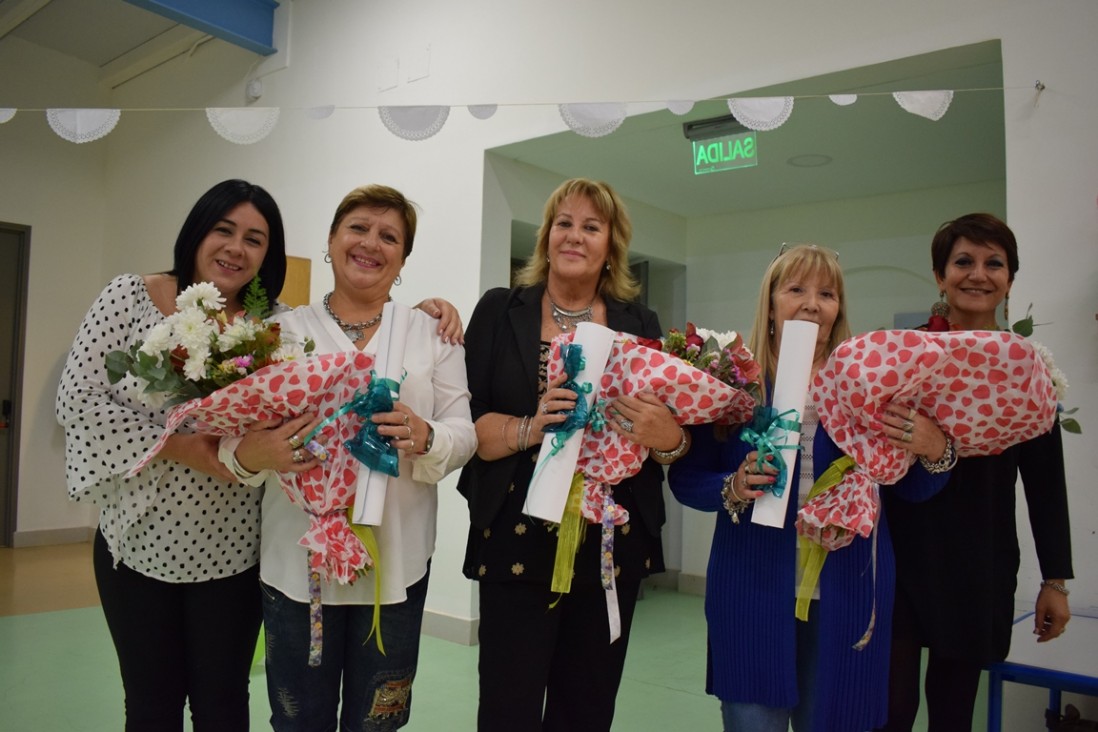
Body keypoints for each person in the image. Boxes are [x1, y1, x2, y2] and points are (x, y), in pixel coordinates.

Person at [668, 244, 953, 732]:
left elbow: (912, 491)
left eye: (827, 292)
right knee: (753, 717)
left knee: (837, 717)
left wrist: (934, 450)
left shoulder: (871, 386)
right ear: (771, 303)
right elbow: (687, 479)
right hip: (752, 587)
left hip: (848, 589)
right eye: (795, 289)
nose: (811, 303)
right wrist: (733, 486)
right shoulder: (732, 383)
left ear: (839, 307)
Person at [225, 183, 477, 731]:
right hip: (297, 570)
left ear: (403, 259)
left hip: (396, 565)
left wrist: (427, 435)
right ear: (332, 240)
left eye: (389, 236)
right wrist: (252, 454)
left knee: (379, 721)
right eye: (358, 228)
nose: (371, 243)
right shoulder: (278, 335)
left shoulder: (432, 334)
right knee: (298, 720)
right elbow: (231, 441)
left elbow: (465, 432)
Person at [56, 179, 294, 731]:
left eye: (255, 239)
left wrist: (432, 310)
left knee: (223, 703)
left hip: (234, 552)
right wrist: (185, 448)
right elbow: (79, 399)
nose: (237, 247)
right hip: (136, 544)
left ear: (268, 255)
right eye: (224, 229)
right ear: (197, 232)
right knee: (150, 703)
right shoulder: (128, 296)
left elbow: (338, 347)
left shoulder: (275, 328)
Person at [457, 177, 688, 732]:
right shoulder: (499, 309)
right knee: (507, 708)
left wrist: (669, 438)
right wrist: (534, 427)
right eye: (564, 223)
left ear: (612, 245)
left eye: (592, 226)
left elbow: (669, 441)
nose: (575, 236)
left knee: (587, 706)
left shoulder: (640, 323)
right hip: (515, 530)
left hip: (611, 537)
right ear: (546, 236)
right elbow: (467, 422)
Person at [877, 213, 1073, 732]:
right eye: (963, 261)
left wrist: (1055, 579)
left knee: (952, 713)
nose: (978, 274)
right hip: (900, 554)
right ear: (940, 275)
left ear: (1010, 279)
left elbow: (1045, 481)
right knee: (889, 712)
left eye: (994, 263)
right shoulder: (904, 355)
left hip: (978, 561)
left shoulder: (1026, 367)